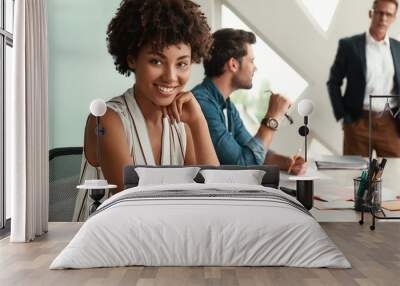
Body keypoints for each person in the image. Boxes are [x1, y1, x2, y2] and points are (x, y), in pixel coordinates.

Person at [73, 0, 219, 221]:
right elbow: (135, 205)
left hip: (161, 240)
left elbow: (215, 195)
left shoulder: (183, 122)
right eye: (156, 61)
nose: (171, 77)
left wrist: (198, 121)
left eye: (181, 64)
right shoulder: (106, 120)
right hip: (105, 244)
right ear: (132, 58)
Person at [192, 28, 307, 174]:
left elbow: (251, 151)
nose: (255, 68)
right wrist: (272, 118)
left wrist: (288, 162)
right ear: (233, 64)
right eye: (251, 61)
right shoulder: (202, 104)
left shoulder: (227, 105)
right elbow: (245, 164)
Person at [327, 0, 400, 157]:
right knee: (355, 175)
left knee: (394, 175)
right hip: (357, 121)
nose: (383, 19)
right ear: (371, 13)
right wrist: (343, 116)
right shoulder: (349, 45)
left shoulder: (398, 49)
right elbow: (333, 82)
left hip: (390, 122)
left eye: (388, 14)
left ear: (394, 18)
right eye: (379, 12)